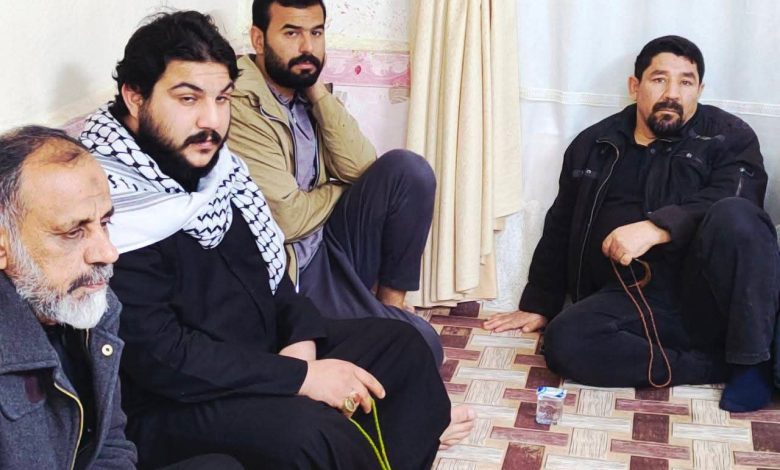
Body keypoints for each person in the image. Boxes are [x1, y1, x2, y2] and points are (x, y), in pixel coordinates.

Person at [80, 11, 473, 469]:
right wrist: (298, 379)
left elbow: (273, 277)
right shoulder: (109, 204)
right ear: (135, 97)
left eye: (222, 98)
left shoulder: (217, 173)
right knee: (312, 433)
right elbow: (162, 357)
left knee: (401, 348)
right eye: (188, 99)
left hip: (258, 357)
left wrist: (301, 339)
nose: (211, 120)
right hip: (177, 401)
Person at [485, 35, 779, 412]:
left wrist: (657, 228)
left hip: (706, 294)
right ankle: (712, 364)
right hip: (629, 297)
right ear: (634, 86)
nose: (672, 93)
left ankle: (751, 364)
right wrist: (540, 301)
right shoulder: (595, 144)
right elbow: (561, 223)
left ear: (699, 90)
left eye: (685, 82)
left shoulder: (729, 137)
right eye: (659, 79)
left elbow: (741, 202)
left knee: (737, 214)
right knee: (564, 342)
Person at [0, 127, 243, 470]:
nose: (108, 253)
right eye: (74, 232)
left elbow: (111, 442)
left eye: (104, 223)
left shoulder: (92, 305)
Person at [227, 0, 443, 365]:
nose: (307, 47)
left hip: (328, 243)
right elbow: (287, 221)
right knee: (422, 346)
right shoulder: (240, 103)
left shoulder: (303, 89)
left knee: (408, 171)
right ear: (259, 39)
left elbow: (362, 168)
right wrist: (338, 189)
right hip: (295, 268)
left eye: (316, 32)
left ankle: (388, 309)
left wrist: (317, 93)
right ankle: (370, 329)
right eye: (291, 33)